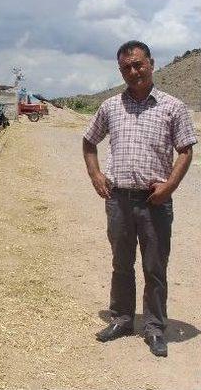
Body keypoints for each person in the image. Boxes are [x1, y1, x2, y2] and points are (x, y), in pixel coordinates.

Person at [82, 40, 197, 357]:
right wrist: (95, 175)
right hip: (118, 199)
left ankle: (155, 327)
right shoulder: (110, 107)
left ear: (151, 64)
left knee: (154, 266)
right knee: (121, 263)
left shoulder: (172, 106)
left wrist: (170, 187)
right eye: (126, 67)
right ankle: (121, 319)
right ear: (120, 70)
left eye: (138, 65)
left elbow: (185, 150)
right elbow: (89, 141)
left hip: (154, 202)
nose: (133, 72)